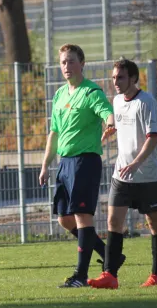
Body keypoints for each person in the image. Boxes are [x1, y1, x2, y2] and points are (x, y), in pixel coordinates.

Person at [39, 44, 125, 288]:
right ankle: (111, 256)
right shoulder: (59, 95)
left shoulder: (91, 92)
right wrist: (45, 164)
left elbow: (107, 113)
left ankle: (80, 276)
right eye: (63, 62)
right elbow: (54, 133)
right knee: (65, 220)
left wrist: (110, 123)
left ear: (82, 63)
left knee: (82, 217)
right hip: (65, 163)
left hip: (85, 161)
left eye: (71, 61)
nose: (67, 66)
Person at [89, 58, 157, 289]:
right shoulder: (116, 101)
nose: (115, 82)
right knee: (113, 221)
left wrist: (136, 163)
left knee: (155, 225)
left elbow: (153, 138)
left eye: (120, 77)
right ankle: (110, 276)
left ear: (133, 78)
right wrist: (109, 132)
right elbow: (123, 127)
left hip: (148, 176)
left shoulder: (147, 101)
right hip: (122, 175)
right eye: (113, 77)